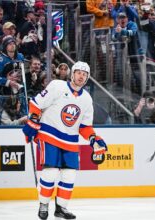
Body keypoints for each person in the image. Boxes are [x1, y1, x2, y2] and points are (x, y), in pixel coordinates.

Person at [22, 61, 108, 220]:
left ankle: (61, 208)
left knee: (69, 175)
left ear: (87, 78)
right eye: (78, 73)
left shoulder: (87, 99)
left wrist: (94, 139)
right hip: (49, 135)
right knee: (50, 172)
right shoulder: (57, 86)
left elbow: (84, 127)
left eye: (84, 74)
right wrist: (33, 120)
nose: (81, 76)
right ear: (72, 74)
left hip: (70, 141)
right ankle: (43, 204)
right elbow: (36, 103)